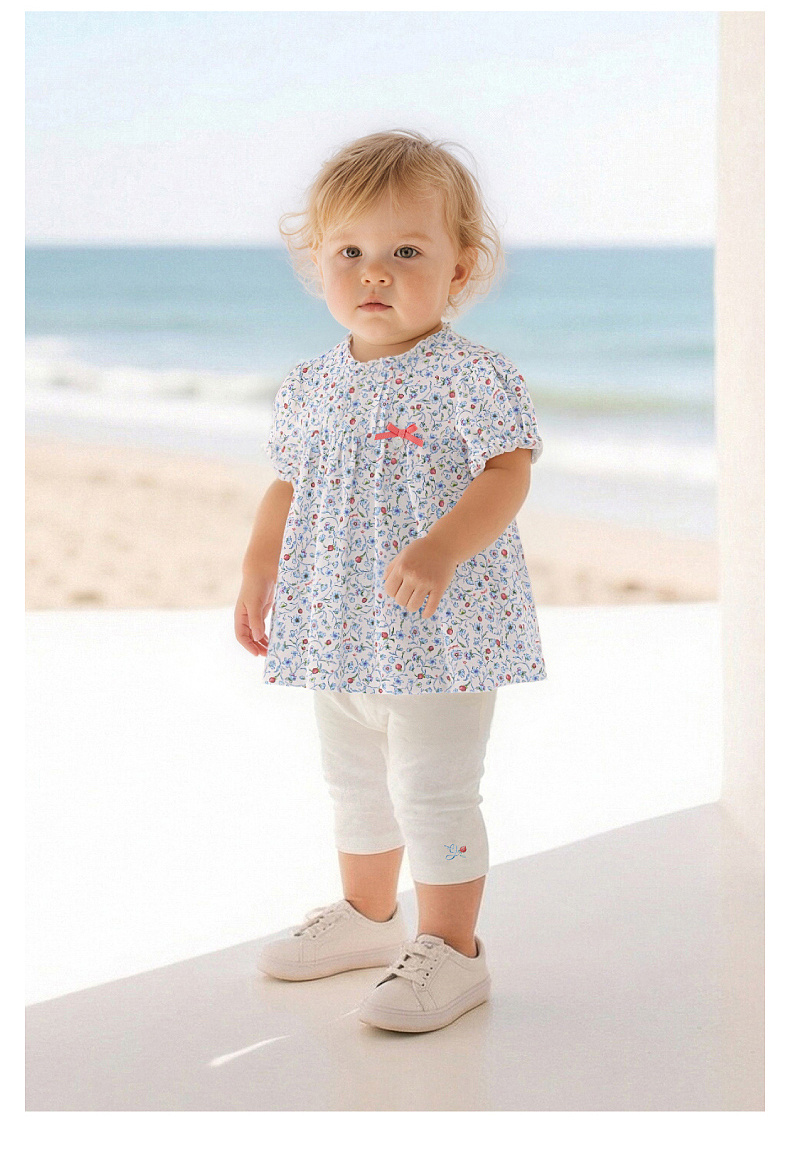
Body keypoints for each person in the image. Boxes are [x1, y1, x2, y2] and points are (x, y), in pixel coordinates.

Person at [235, 129, 546, 1034]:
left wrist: (443, 546)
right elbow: (287, 483)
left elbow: (508, 472)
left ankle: (453, 949)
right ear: (318, 265)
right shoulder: (311, 384)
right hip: (339, 623)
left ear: (460, 268)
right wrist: (259, 565)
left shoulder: (470, 375)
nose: (374, 272)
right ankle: (370, 917)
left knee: (433, 787)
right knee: (355, 781)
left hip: (440, 631)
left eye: (406, 251)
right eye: (350, 252)